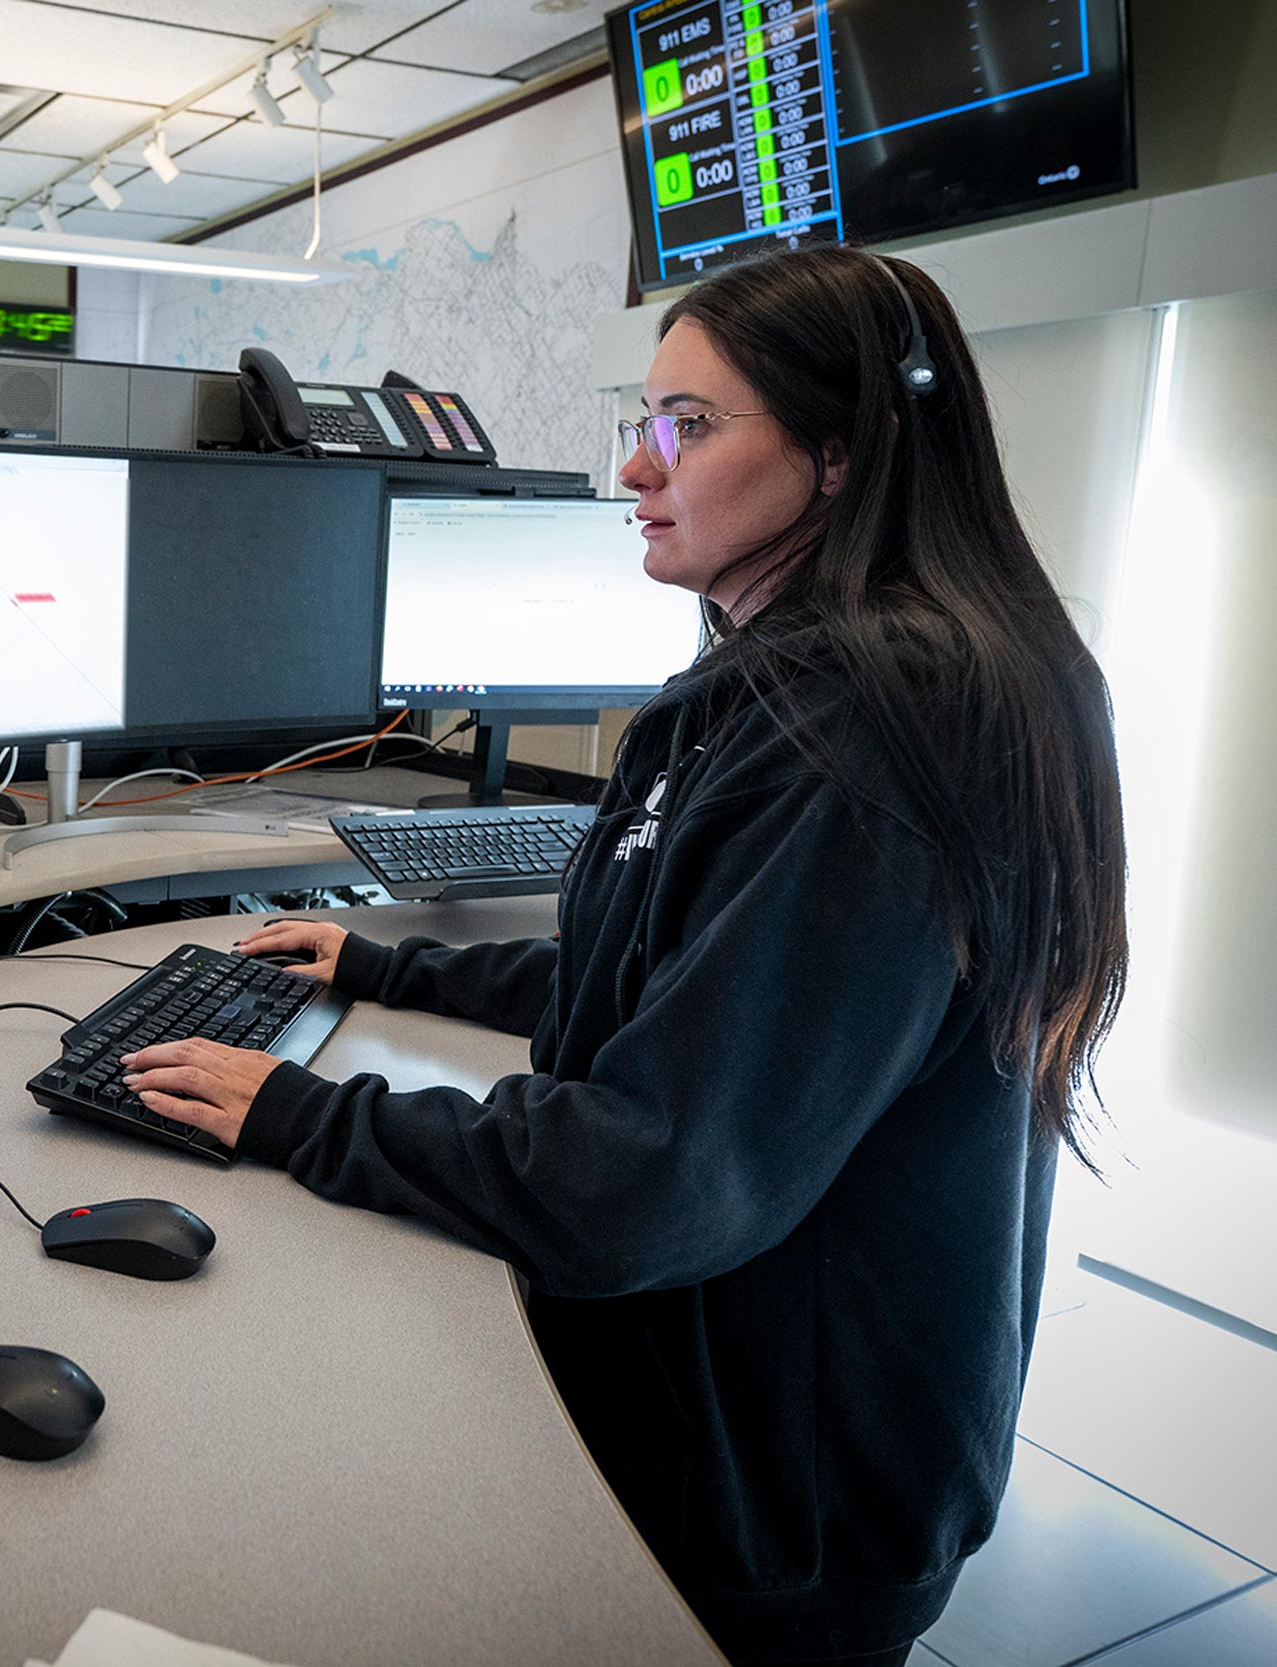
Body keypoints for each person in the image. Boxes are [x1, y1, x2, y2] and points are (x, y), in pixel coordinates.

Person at [120, 245, 1128, 1667]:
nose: (636, 471)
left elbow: (653, 1179)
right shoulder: (781, 684)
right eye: (643, 423)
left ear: (838, 455)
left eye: (689, 428)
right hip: (759, 1417)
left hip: (781, 1501)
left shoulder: (871, 729)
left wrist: (301, 1115)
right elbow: (672, 981)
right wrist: (387, 970)